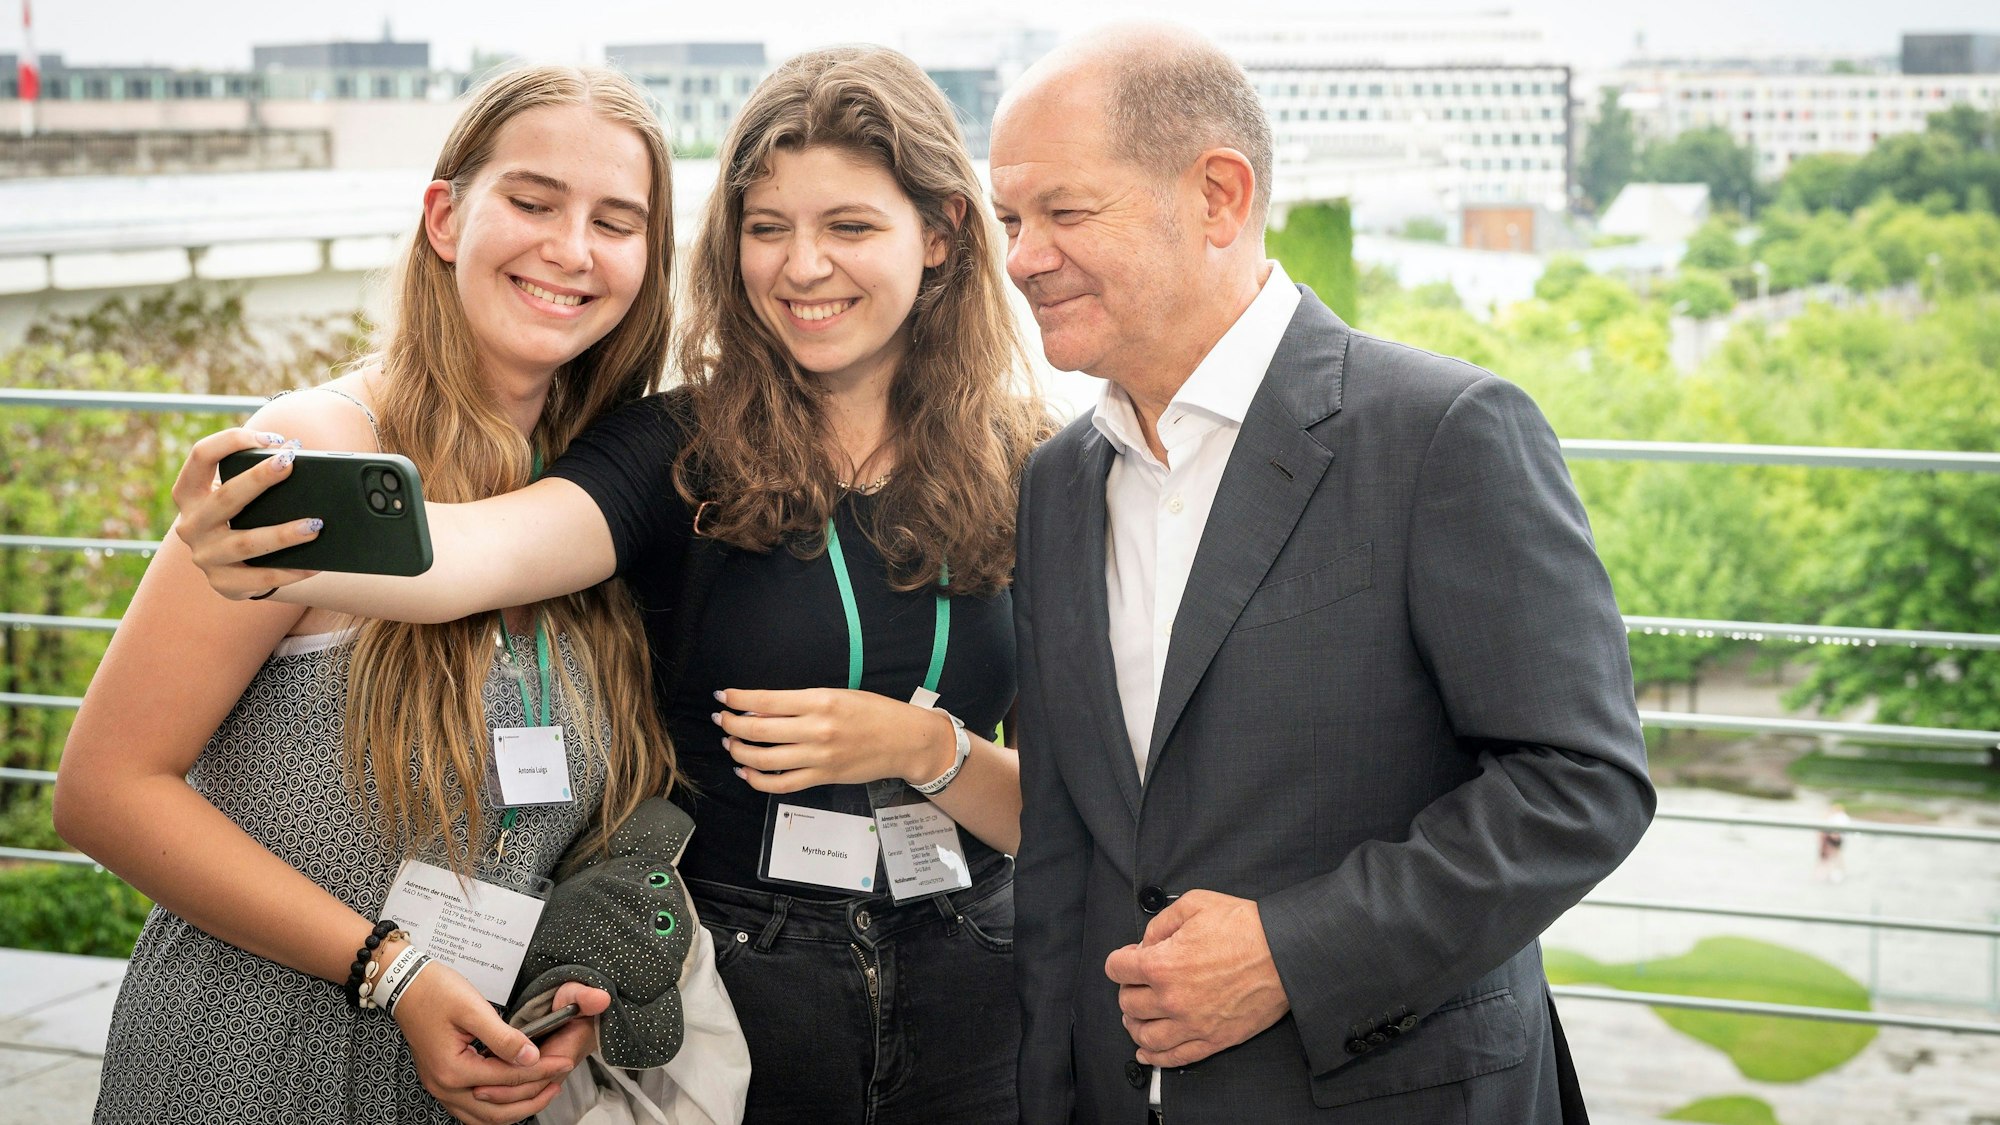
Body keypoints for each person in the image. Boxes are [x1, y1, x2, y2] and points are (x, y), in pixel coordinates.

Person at [168, 46, 1046, 1125]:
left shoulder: (1030, 460)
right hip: (749, 978)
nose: (803, 266)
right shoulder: (674, 444)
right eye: (767, 229)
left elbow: (1074, 808)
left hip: (977, 971)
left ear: (942, 235)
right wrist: (274, 534)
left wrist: (928, 750)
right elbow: (467, 556)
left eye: (850, 228)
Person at [990, 24, 1657, 1124]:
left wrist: (1288, 953)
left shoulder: (1444, 433)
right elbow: (1063, 847)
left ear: (1216, 197)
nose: (1020, 257)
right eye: (1013, 220)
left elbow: (1580, 785)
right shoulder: (1057, 482)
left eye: (1063, 212)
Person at [56, 65, 683, 1125]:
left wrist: (573, 979)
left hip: (473, 1071)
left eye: (615, 223)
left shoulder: (595, 493)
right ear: (445, 217)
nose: (570, 249)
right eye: (531, 202)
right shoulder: (319, 448)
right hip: (252, 1057)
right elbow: (105, 790)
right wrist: (388, 970)